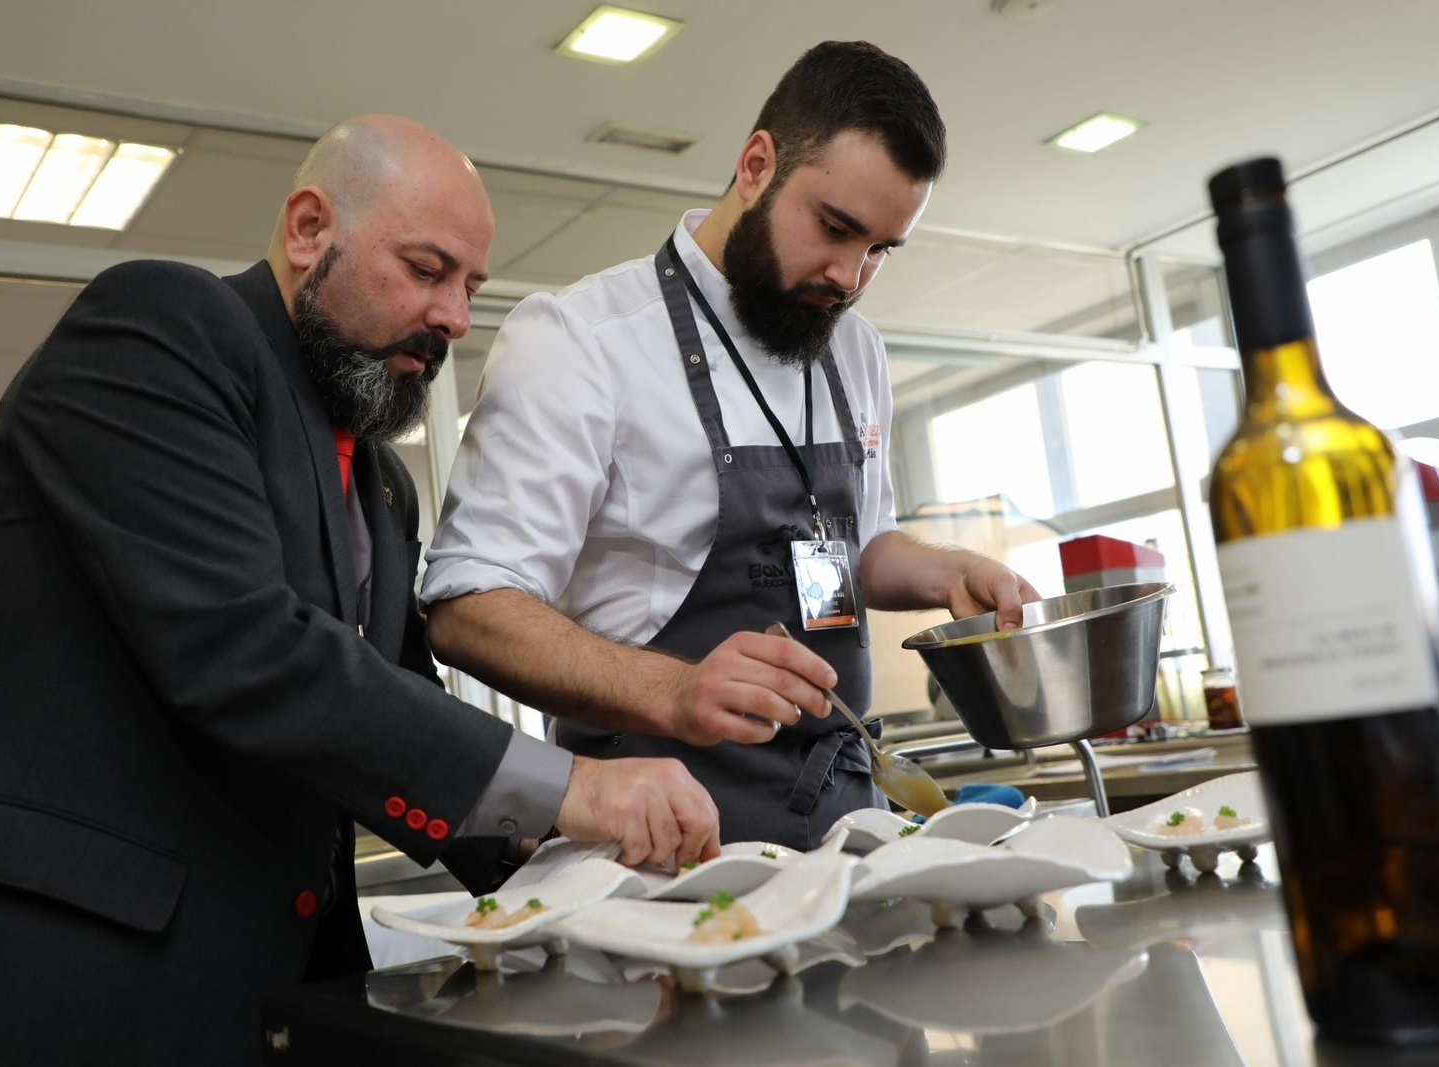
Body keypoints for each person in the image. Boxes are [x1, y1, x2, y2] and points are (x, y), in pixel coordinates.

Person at [0, 114, 718, 1067]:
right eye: (426, 269)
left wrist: (561, 856)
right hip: (52, 976)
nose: (455, 315)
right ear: (306, 229)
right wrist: (572, 784)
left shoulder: (382, 481)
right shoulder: (160, 329)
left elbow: (396, 700)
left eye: (470, 287)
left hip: (261, 987)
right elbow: (246, 648)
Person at [424, 43, 1039, 851]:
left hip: (847, 828)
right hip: (658, 853)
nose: (850, 276)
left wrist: (947, 571)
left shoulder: (854, 351)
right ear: (756, 166)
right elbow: (467, 607)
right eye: (835, 228)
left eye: (881, 250)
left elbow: (854, 548)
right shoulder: (579, 341)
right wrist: (675, 689)